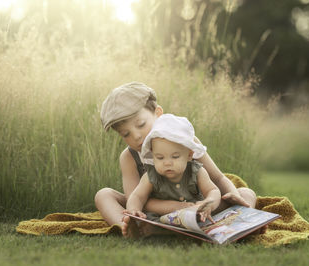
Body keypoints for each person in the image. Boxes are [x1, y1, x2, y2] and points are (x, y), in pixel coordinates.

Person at [95, 82, 257, 237]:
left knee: (246, 193)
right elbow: (135, 200)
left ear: (158, 114)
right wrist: (178, 207)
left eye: (141, 124)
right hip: (156, 212)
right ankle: (128, 227)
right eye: (125, 134)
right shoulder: (129, 156)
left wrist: (233, 195)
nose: (136, 136)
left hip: (198, 206)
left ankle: (238, 221)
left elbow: (218, 178)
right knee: (104, 195)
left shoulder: (187, 142)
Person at [124, 114, 223, 227]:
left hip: (197, 215)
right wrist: (133, 209)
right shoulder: (150, 176)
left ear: (189, 155)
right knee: (150, 221)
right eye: (160, 158)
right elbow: (137, 196)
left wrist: (208, 203)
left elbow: (213, 190)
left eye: (175, 157)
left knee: (229, 202)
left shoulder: (197, 171)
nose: (167, 163)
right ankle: (143, 229)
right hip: (163, 217)